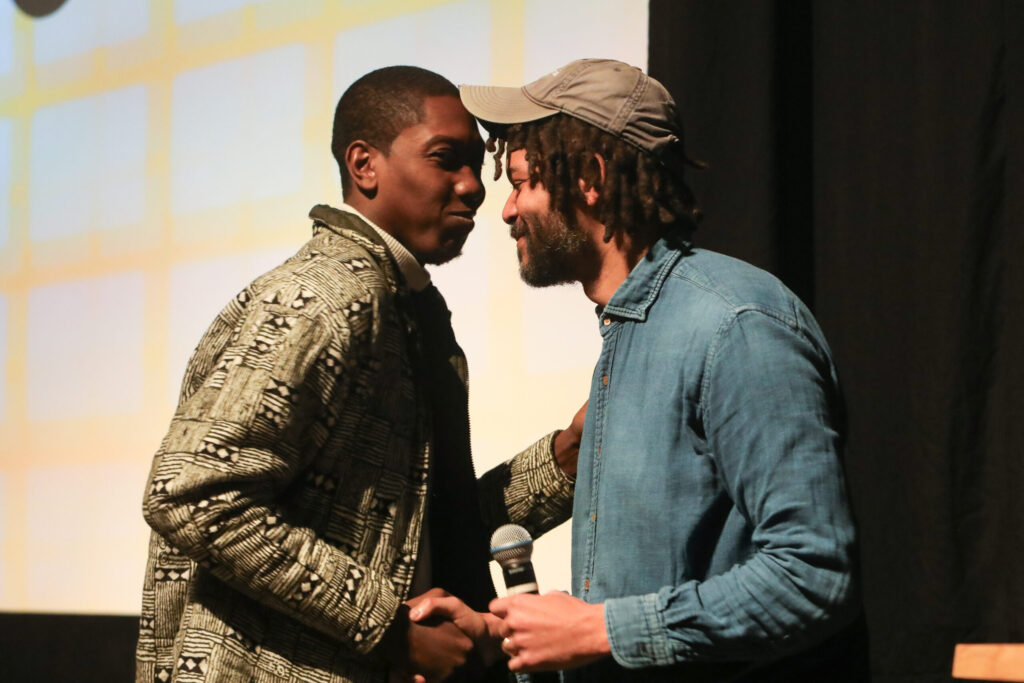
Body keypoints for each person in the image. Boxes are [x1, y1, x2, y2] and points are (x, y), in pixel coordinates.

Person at [135, 65, 579, 683]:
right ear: (364, 165)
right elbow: (191, 493)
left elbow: (408, 524)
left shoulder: (402, 300)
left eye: (478, 165)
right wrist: (388, 630)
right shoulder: (320, 298)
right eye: (446, 159)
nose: (473, 186)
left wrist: (562, 462)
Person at [434, 58, 866, 680]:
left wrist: (598, 628)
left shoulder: (733, 325)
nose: (506, 209)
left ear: (588, 178)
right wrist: (516, 634)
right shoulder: (631, 333)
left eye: (522, 182)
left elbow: (814, 575)